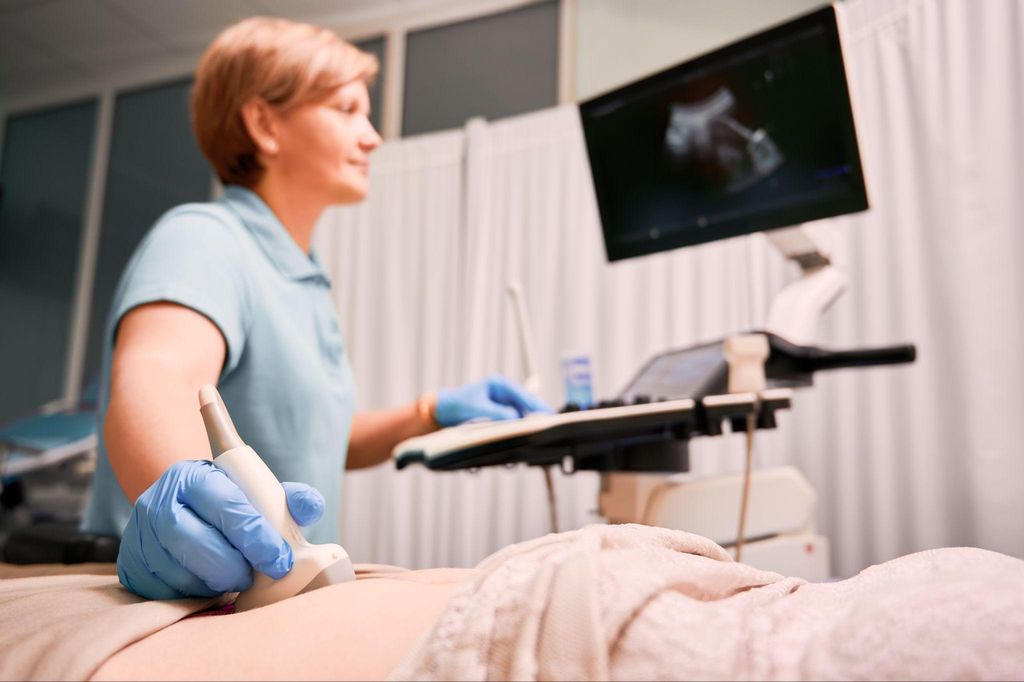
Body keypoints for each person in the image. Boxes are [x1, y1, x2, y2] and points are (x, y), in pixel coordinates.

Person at [79, 16, 550, 601]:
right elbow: (158, 381)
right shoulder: (204, 238)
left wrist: (430, 412)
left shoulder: (304, 279)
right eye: (348, 109)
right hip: (192, 589)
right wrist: (194, 504)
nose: (373, 136)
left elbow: (315, 437)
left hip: (279, 591)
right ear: (265, 123)